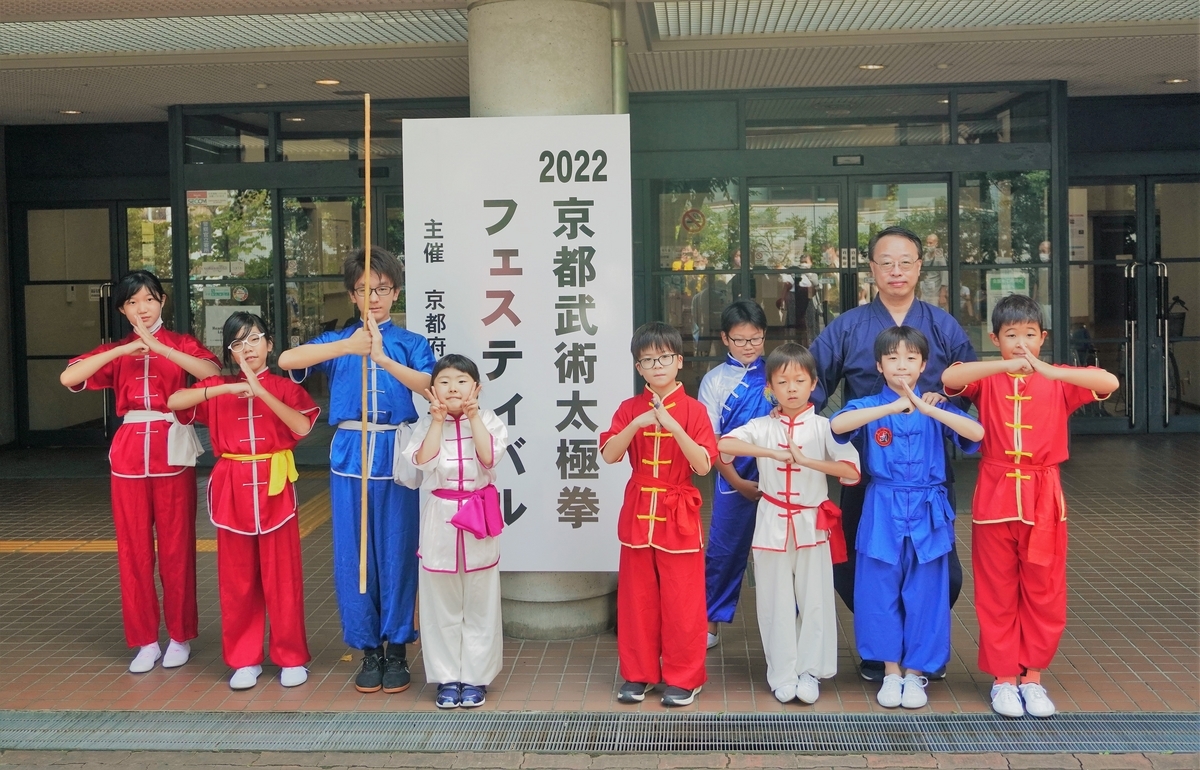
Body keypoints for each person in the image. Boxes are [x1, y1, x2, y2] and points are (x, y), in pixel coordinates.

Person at [809, 225, 978, 682]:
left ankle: (919, 652)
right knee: (863, 565)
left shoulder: (943, 326)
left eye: (906, 262)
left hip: (927, 471)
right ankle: (880, 651)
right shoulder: (848, 326)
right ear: (872, 269)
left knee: (938, 566)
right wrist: (793, 425)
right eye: (886, 262)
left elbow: (969, 383)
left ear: (920, 267)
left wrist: (947, 402)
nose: (896, 270)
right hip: (866, 472)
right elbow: (812, 380)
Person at [942, 295, 1118, 719]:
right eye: (1010, 335)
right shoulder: (988, 379)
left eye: (1029, 335)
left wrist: (1049, 370)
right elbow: (950, 376)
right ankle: (1004, 679)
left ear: (1044, 338)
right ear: (995, 339)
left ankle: (1033, 677)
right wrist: (1002, 366)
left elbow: (1109, 382)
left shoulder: (1059, 381)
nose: (1021, 343)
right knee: (997, 591)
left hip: (1044, 500)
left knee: (1044, 591)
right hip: (995, 497)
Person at [277, 246, 435, 695]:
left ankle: (397, 646)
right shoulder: (338, 341)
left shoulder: (411, 343)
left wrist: (383, 358)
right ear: (352, 295)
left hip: (396, 449)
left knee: (397, 549)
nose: (374, 298)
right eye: (365, 290)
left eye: (382, 289)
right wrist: (350, 345)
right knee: (354, 551)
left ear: (396, 292)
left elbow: (429, 384)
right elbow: (287, 360)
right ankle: (368, 648)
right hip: (350, 449)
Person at [59, 270, 220, 674]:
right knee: (133, 552)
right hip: (129, 453)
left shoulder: (181, 343)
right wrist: (124, 350)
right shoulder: (117, 351)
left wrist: (160, 349)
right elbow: (69, 377)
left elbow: (210, 373)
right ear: (122, 310)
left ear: (162, 301)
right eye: (132, 302)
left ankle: (180, 636)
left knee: (177, 548)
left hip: (172, 449)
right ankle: (146, 640)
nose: (142, 308)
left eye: (149, 299)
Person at [830, 327, 983, 709]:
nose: (902, 365)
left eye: (911, 358)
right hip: (882, 506)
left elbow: (977, 433)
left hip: (927, 510)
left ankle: (916, 674)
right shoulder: (868, 405)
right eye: (893, 358)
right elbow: (837, 426)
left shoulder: (935, 405)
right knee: (878, 589)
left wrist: (931, 408)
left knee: (927, 592)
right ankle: (891, 671)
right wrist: (891, 407)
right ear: (879, 365)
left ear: (924, 364)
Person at [168, 313, 320, 690]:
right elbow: (175, 401)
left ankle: (290, 657)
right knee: (236, 581)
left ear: (269, 344)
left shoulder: (284, 387)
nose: (248, 348)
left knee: (283, 578)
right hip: (232, 487)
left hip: (275, 486)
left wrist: (261, 392)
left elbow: (302, 425)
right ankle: (244, 659)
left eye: (254, 339)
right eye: (238, 343)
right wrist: (220, 390)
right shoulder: (219, 387)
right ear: (230, 352)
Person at [717, 343, 860, 705]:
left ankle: (810, 672)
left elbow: (850, 471)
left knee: (815, 599)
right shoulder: (760, 426)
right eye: (783, 382)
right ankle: (781, 672)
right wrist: (771, 452)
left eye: (799, 380)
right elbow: (725, 446)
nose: (792, 388)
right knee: (773, 600)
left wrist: (807, 461)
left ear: (813, 383)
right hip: (771, 521)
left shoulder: (826, 427)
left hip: (812, 522)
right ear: (770, 387)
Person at [601, 322, 718, 708]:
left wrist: (672, 426)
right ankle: (639, 674)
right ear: (639, 368)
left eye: (664, 357)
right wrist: (637, 423)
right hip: (638, 511)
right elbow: (609, 455)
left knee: (683, 601)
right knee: (637, 600)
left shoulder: (694, 411)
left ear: (679, 361)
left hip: (677, 511)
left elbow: (703, 465)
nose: (657, 366)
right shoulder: (629, 409)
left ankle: (685, 678)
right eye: (648, 360)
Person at [405, 354, 508, 710]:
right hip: (440, 516)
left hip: (479, 515)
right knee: (440, 604)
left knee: (480, 602)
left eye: (462, 381)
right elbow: (422, 462)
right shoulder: (424, 424)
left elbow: (489, 458)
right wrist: (436, 422)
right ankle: (447, 678)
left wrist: (475, 416)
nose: (453, 388)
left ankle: (476, 677)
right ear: (433, 389)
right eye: (445, 381)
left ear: (476, 388)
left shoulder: (489, 420)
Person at [697, 300, 773, 650]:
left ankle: (788, 621)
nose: (748, 346)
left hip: (777, 474)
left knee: (781, 553)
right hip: (732, 477)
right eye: (740, 340)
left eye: (755, 339)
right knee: (724, 551)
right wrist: (738, 482)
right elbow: (710, 441)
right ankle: (710, 622)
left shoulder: (776, 373)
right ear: (725, 338)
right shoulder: (714, 381)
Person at [918, 234, 948, 310]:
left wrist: (942, 295)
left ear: (936, 244)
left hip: (935, 294)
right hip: (925, 291)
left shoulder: (939, 257)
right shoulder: (925, 256)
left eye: (931, 243)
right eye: (927, 243)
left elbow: (944, 274)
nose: (928, 245)